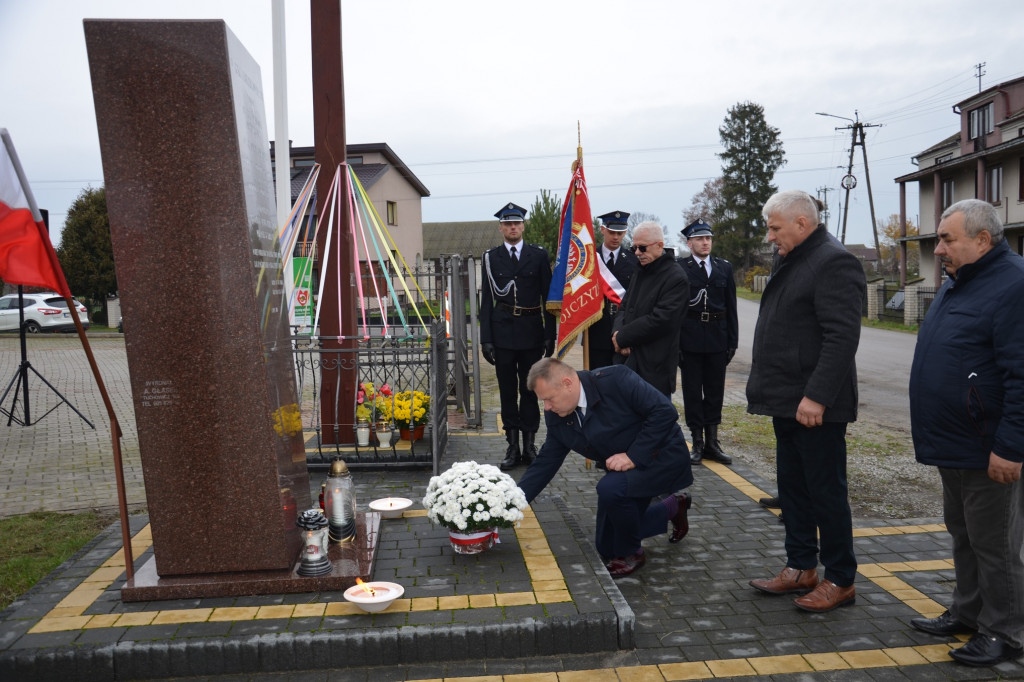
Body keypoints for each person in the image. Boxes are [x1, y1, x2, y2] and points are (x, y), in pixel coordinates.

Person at [907, 199, 1024, 667]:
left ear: (982, 239)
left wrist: (1011, 446)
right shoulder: (962, 282)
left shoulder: (1013, 285)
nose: (938, 250)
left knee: (995, 545)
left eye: (946, 239)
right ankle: (968, 610)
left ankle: (1005, 632)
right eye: (938, 239)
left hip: (988, 447)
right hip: (956, 443)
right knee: (964, 535)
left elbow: (1021, 374)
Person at [746, 190, 865, 613]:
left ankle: (840, 578)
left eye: (775, 228)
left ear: (801, 222)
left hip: (816, 406)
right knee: (793, 488)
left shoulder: (833, 261)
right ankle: (801, 566)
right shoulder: (793, 256)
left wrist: (816, 396)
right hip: (787, 400)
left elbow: (841, 337)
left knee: (825, 492)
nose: (770, 236)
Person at [516, 358, 694, 577]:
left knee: (610, 489)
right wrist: (512, 502)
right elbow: (546, 462)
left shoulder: (616, 379)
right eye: (543, 401)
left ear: (567, 383)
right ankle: (674, 506)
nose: (547, 407)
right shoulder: (556, 414)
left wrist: (633, 456)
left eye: (549, 399)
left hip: (662, 456)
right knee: (606, 547)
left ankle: (632, 554)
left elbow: (665, 412)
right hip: (625, 469)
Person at [479, 202, 556, 471]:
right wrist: (485, 338)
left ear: (523, 226)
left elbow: (548, 297)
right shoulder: (490, 257)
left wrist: (550, 334)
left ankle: (530, 445)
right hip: (501, 333)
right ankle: (512, 447)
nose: (513, 227)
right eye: (508, 224)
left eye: (517, 223)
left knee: (531, 390)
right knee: (507, 392)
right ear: (501, 227)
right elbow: (486, 299)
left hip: (532, 332)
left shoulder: (538, 255)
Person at [676, 219, 738, 466]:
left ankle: (713, 442)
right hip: (689, 338)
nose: (705, 243)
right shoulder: (681, 268)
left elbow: (731, 307)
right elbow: (677, 310)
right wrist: (677, 344)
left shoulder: (724, 267)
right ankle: (697, 442)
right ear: (689, 243)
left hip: (717, 337)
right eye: (700, 239)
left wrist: (732, 341)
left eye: (708, 238)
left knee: (715, 392)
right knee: (692, 392)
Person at [611, 222, 688, 396]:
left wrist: (624, 337)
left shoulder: (676, 277)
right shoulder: (640, 270)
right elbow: (624, 306)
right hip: (627, 359)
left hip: (654, 366)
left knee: (654, 419)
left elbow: (661, 320)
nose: (637, 253)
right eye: (634, 248)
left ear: (659, 245)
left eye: (642, 248)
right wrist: (617, 333)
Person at [588, 211, 639, 370]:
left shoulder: (633, 260)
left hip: (624, 327)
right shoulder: (589, 258)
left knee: (621, 381)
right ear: (603, 230)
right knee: (597, 380)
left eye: (620, 233)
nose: (616, 237)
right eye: (612, 232)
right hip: (596, 327)